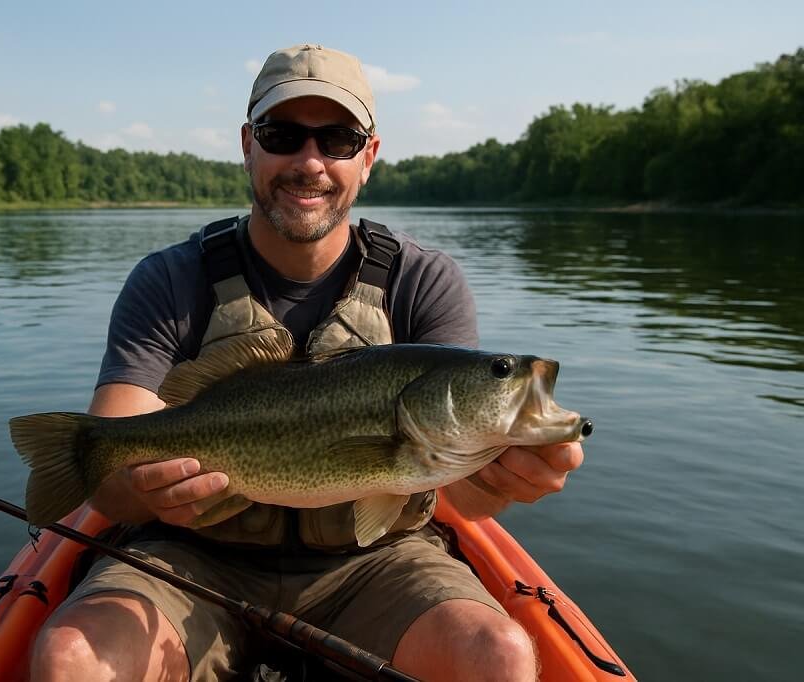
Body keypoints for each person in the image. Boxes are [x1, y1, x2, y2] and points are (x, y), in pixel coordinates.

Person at [31, 44, 583, 682]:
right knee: (73, 661)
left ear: (369, 155)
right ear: (248, 145)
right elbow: (105, 470)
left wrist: (499, 477)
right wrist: (150, 492)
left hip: (375, 562)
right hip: (189, 558)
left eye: (339, 139)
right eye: (283, 135)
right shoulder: (169, 279)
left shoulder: (425, 279)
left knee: (500, 656)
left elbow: (455, 493)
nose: (310, 162)